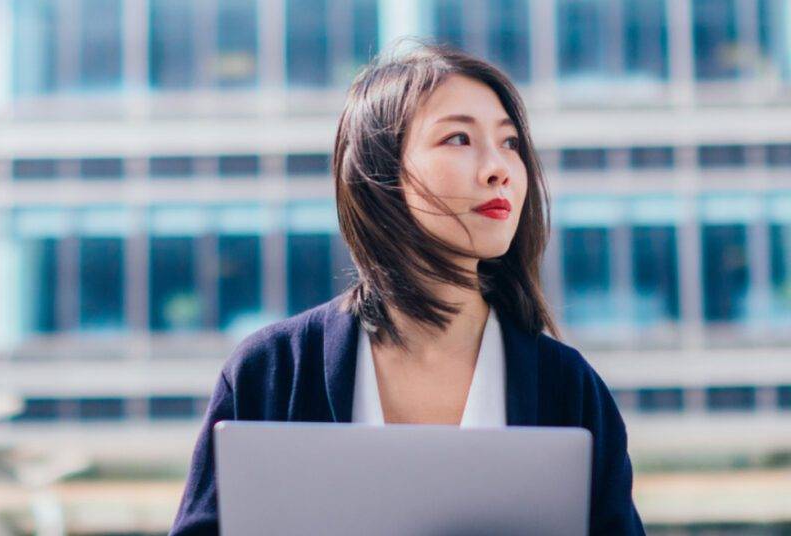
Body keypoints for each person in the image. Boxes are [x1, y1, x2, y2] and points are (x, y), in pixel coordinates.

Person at [170, 42, 645, 536]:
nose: (499, 168)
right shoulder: (272, 372)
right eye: (459, 138)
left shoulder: (567, 387)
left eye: (509, 143)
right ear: (381, 174)